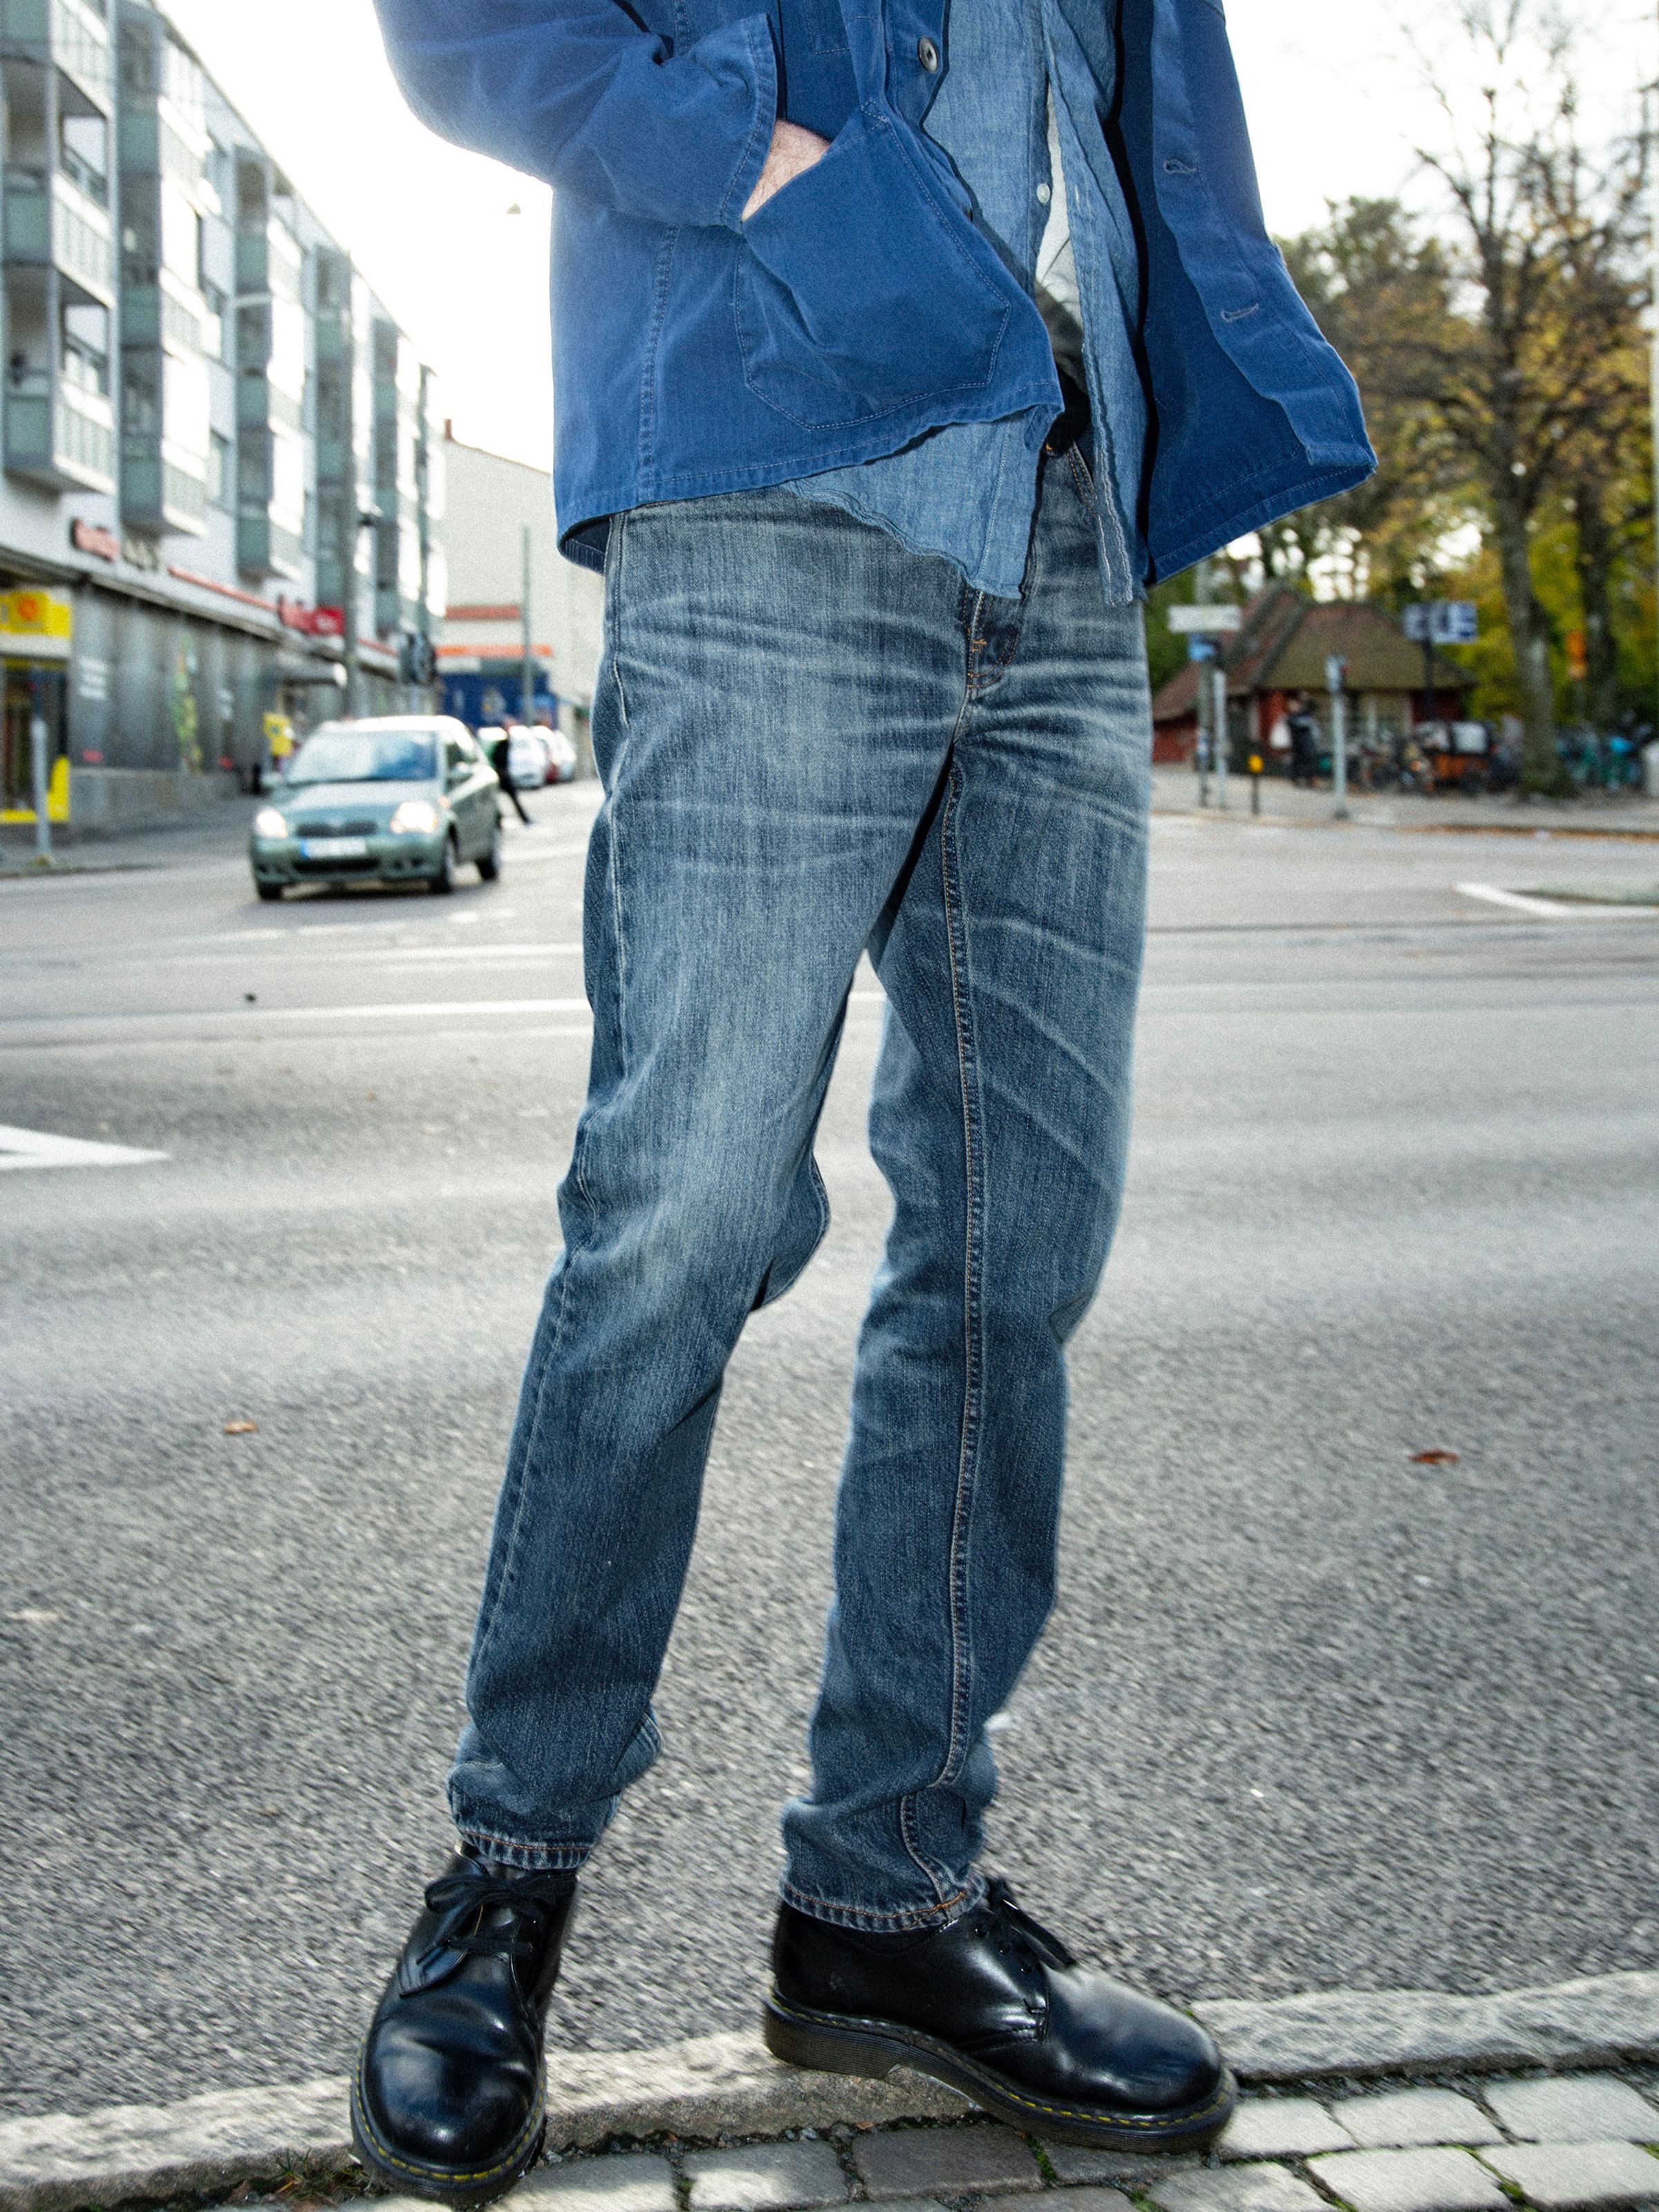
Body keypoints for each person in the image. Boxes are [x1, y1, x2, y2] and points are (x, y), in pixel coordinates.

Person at [355, 0, 1374, 2197]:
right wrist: (762, 166)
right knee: (686, 1212)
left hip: (1068, 509)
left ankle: (885, 1895)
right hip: (769, 473)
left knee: (1019, 1235)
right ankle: (506, 1872)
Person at [489, 728, 533, 826]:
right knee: (497, 799)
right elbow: (496, 757)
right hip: (502, 775)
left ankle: (524, 819)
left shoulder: (507, 744)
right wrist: (501, 769)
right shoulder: (503, 744)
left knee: (511, 798)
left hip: (503, 775)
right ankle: (498, 821)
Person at [1286, 694, 1322, 789]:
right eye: (1291, 706)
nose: (1294, 707)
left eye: (1295, 705)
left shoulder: (1304, 715)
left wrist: (1307, 699)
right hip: (1298, 747)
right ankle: (1299, 780)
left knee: (1310, 764)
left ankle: (1310, 781)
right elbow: (1301, 726)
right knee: (1299, 765)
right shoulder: (1291, 719)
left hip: (1308, 746)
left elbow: (1313, 707)